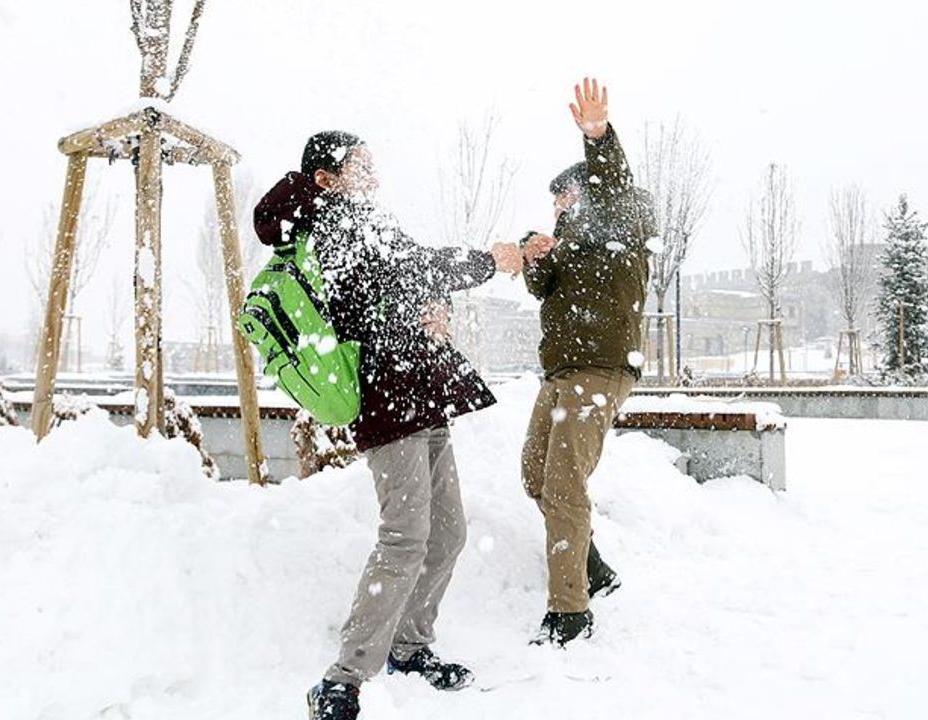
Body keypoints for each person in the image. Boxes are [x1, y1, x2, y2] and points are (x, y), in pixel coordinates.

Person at [253, 132, 524, 719]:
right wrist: (488, 262)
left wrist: (432, 309)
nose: (374, 176)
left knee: (447, 532)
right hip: (386, 398)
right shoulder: (330, 223)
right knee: (405, 535)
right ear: (327, 178)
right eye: (362, 166)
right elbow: (411, 270)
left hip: (420, 390)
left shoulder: (364, 220)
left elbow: (404, 282)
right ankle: (342, 680)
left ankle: (409, 647)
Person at [518, 78, 658, 646]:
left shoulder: (622, 220)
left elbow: (613, 183)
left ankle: (570, 612)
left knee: (563, 484)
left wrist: (598, 136)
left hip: (600, 368)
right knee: (535, 473)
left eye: (566, 198)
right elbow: (541, 288)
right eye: (555, 202)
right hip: (562, 371)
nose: (559, 208)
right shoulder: (568, 243)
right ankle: (592, 567)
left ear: (589, 193)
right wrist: (534, 254)